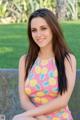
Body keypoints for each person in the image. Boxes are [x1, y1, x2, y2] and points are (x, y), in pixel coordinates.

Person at [12, 8, 76, 120]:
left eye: (43, 28)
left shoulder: (67, 59)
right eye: (34, 30)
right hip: (35, 117)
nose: (38, 34)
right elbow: (24, 100)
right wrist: (42, 118)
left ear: (53, 29)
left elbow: (63, 100)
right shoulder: (25, 61)